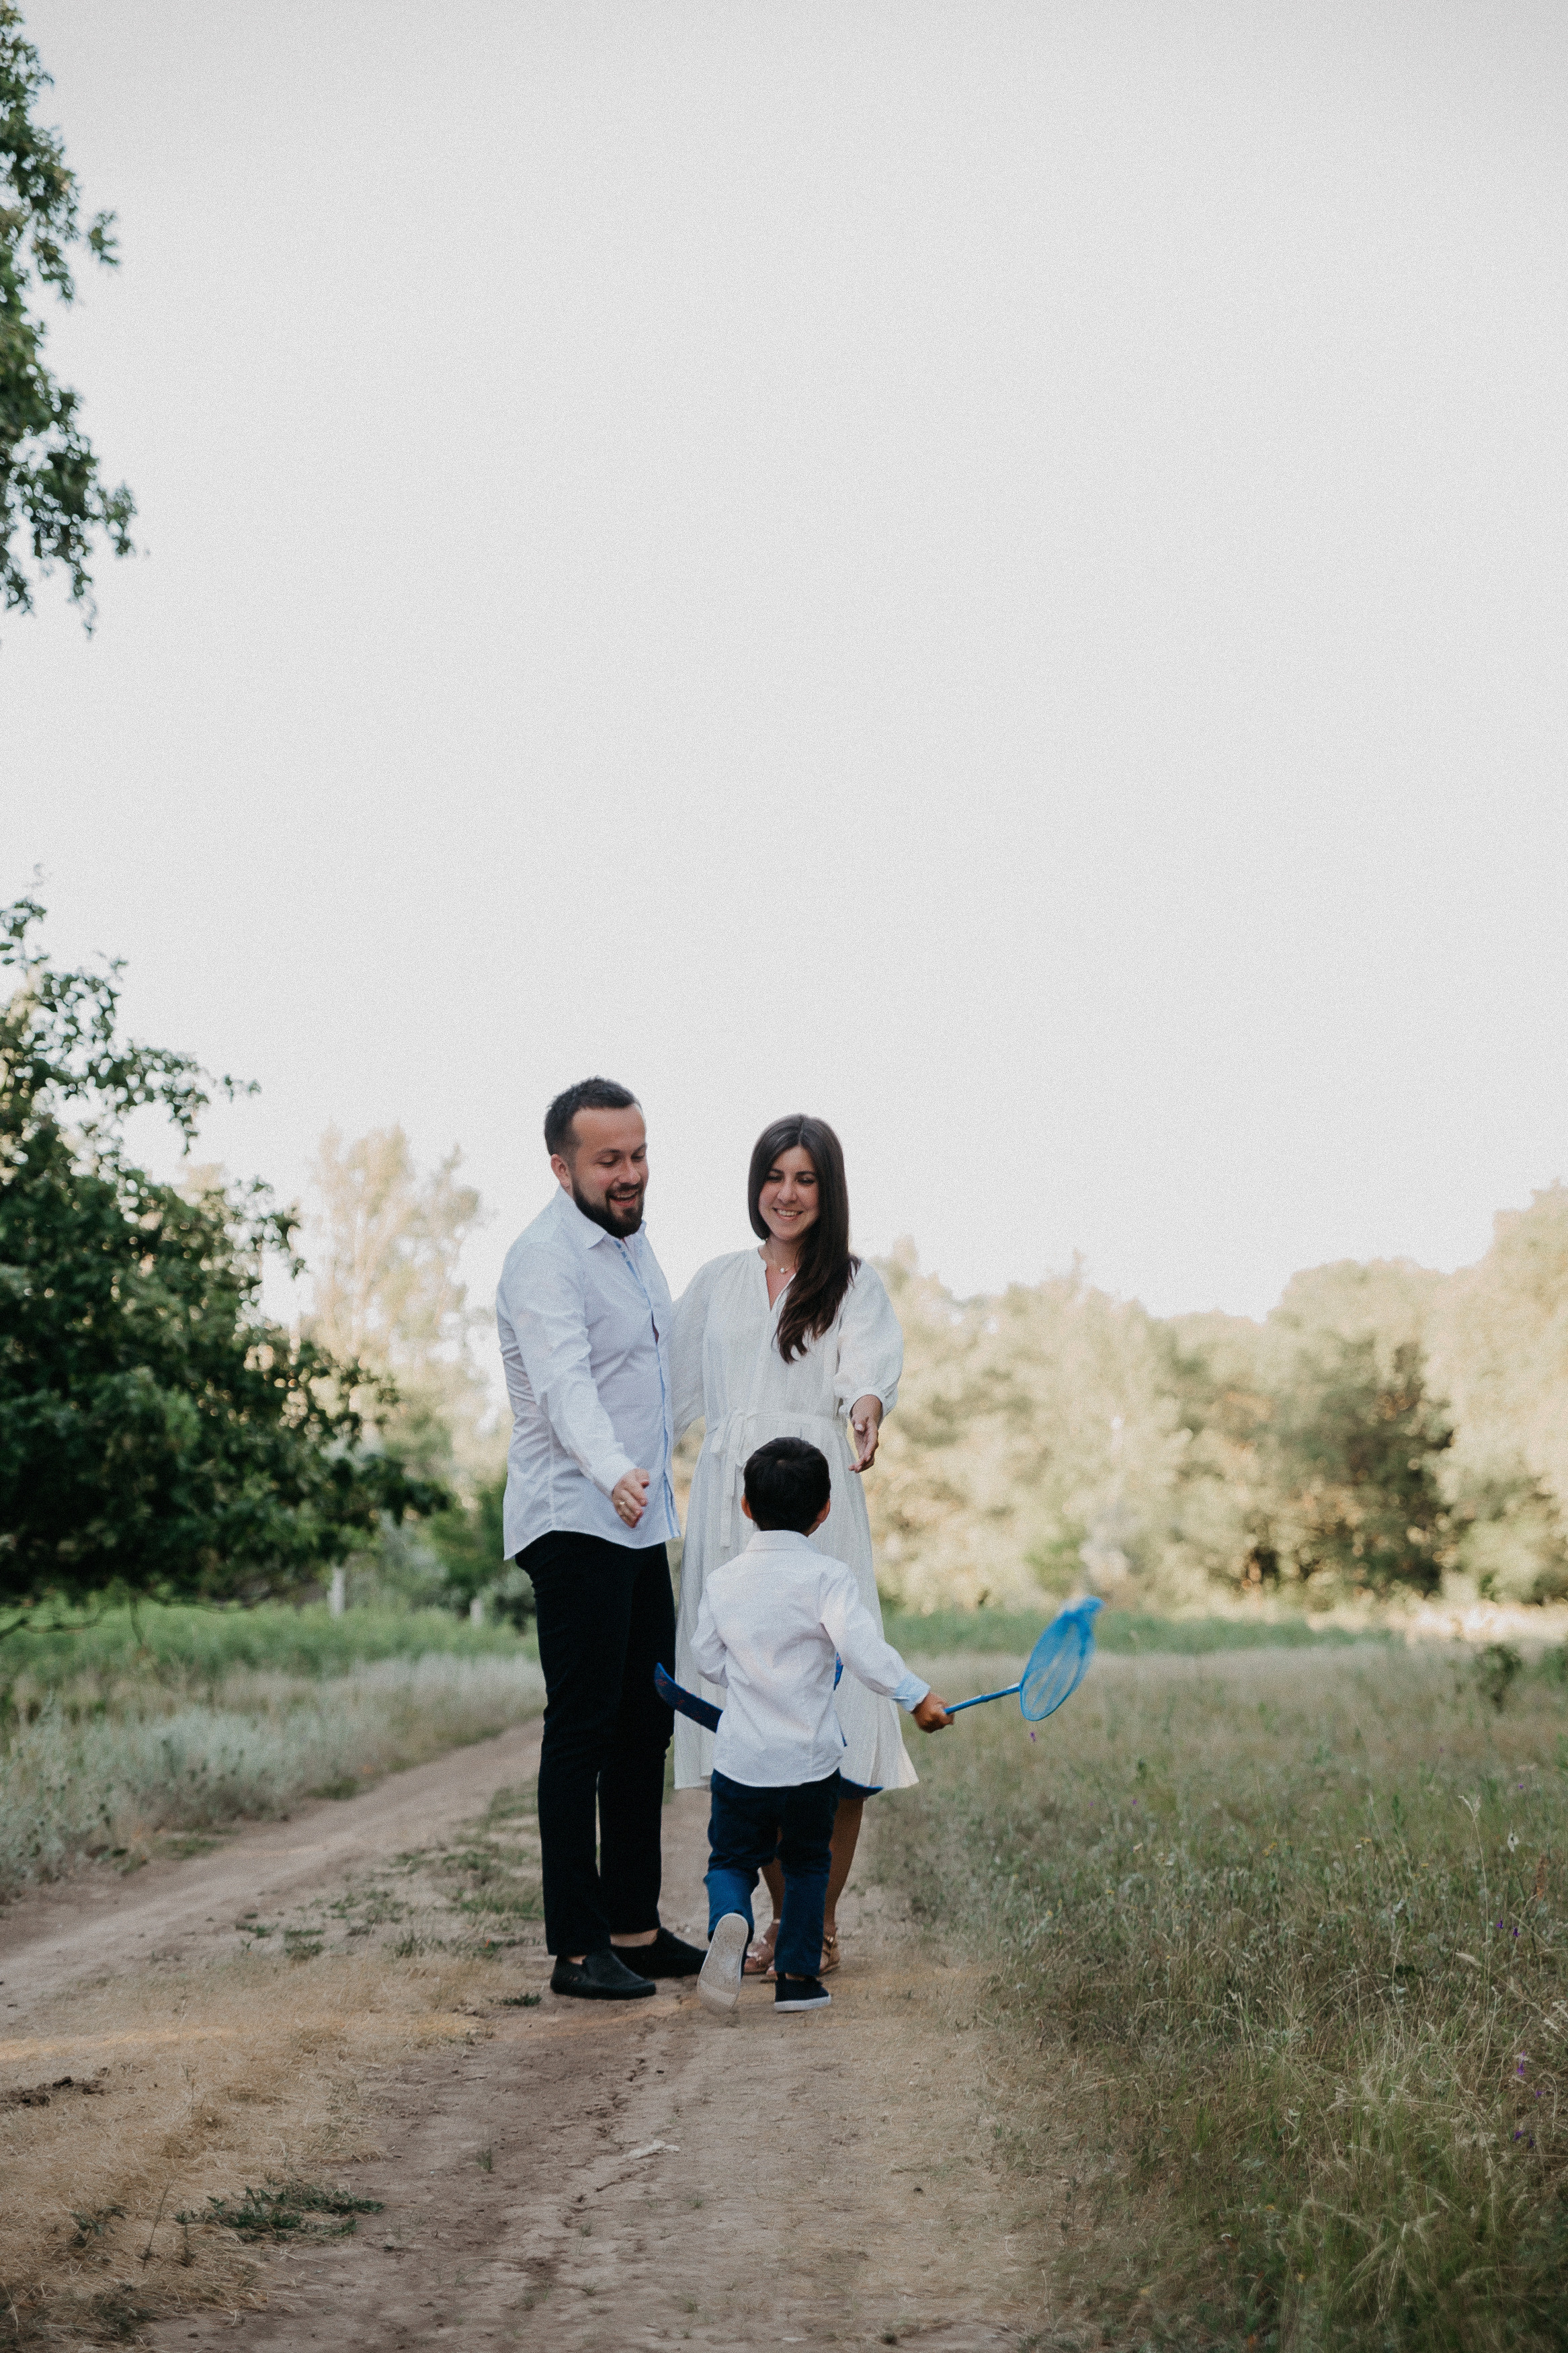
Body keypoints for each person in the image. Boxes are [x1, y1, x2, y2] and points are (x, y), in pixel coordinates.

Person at [670, 1113, 907, 1977]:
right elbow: (668, 1392)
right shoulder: (717, 1281)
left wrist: (867, 1407)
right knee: (753, 1725)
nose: (786, 1192)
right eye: (774, 1174)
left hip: (816, 1498)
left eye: (805, 1177)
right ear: (755, 1183)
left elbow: (866, 1369)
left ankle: (817, 1919)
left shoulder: (851, 1282)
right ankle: (778, 1919)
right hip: (730, 1511)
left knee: (831, 1716)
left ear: (827, 1189)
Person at [496, 1076, 706, 2000]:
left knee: (644, 1724)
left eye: (639, 1154)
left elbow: (663, 1372)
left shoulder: (633, 1245)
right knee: (581, 1730)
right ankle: (577, 1947)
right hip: (575, 1516)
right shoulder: (545, 1258)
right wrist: (613, 1467)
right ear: (561, 1165)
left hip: (639, 1521)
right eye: (609, 1160)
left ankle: (632, 1923)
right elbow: (563, 1385)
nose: (630, 1175)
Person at [693, 1437, 951, 2015]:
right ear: (824, 1511)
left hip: (741, 1761)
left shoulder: (724, 1581)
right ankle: (797, 1982)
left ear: (744, 1506)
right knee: (808, 1864)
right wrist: (916, 1696)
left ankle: (729, 1917)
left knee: (731, 1861)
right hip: (808, 1762)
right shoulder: (828, 1579)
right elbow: (862, 1651)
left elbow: (706, 1659)